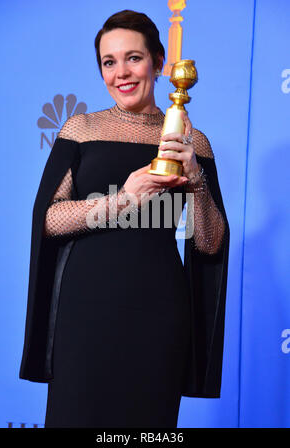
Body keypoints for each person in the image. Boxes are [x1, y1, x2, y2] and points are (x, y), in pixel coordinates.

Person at [19, 10, 230, 428]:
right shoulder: (81, 130)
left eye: (133, 58)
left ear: (158, 60)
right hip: (84, 309)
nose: (121, 73)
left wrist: (197, 181)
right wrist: (124, 200)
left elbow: (209, 243)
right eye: (109, 62)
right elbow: (48, 219)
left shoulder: (190, 139)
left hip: (159, 311)